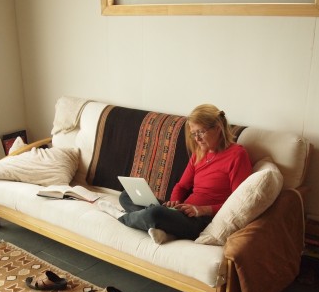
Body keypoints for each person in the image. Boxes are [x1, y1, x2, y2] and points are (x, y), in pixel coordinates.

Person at [98, 104, 253, 244]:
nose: (197, 138)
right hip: (182, 212)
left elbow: (238, 203)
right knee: (126, 195)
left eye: (201, 132)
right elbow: (181, 185)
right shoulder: (199, 153)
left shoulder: (237, 155)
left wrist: (203, 210)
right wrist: (174, 202)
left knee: (155, 213)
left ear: (218, 127)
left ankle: (122, 217)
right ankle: (161, 227)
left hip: (201, 221)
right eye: (193, 133)